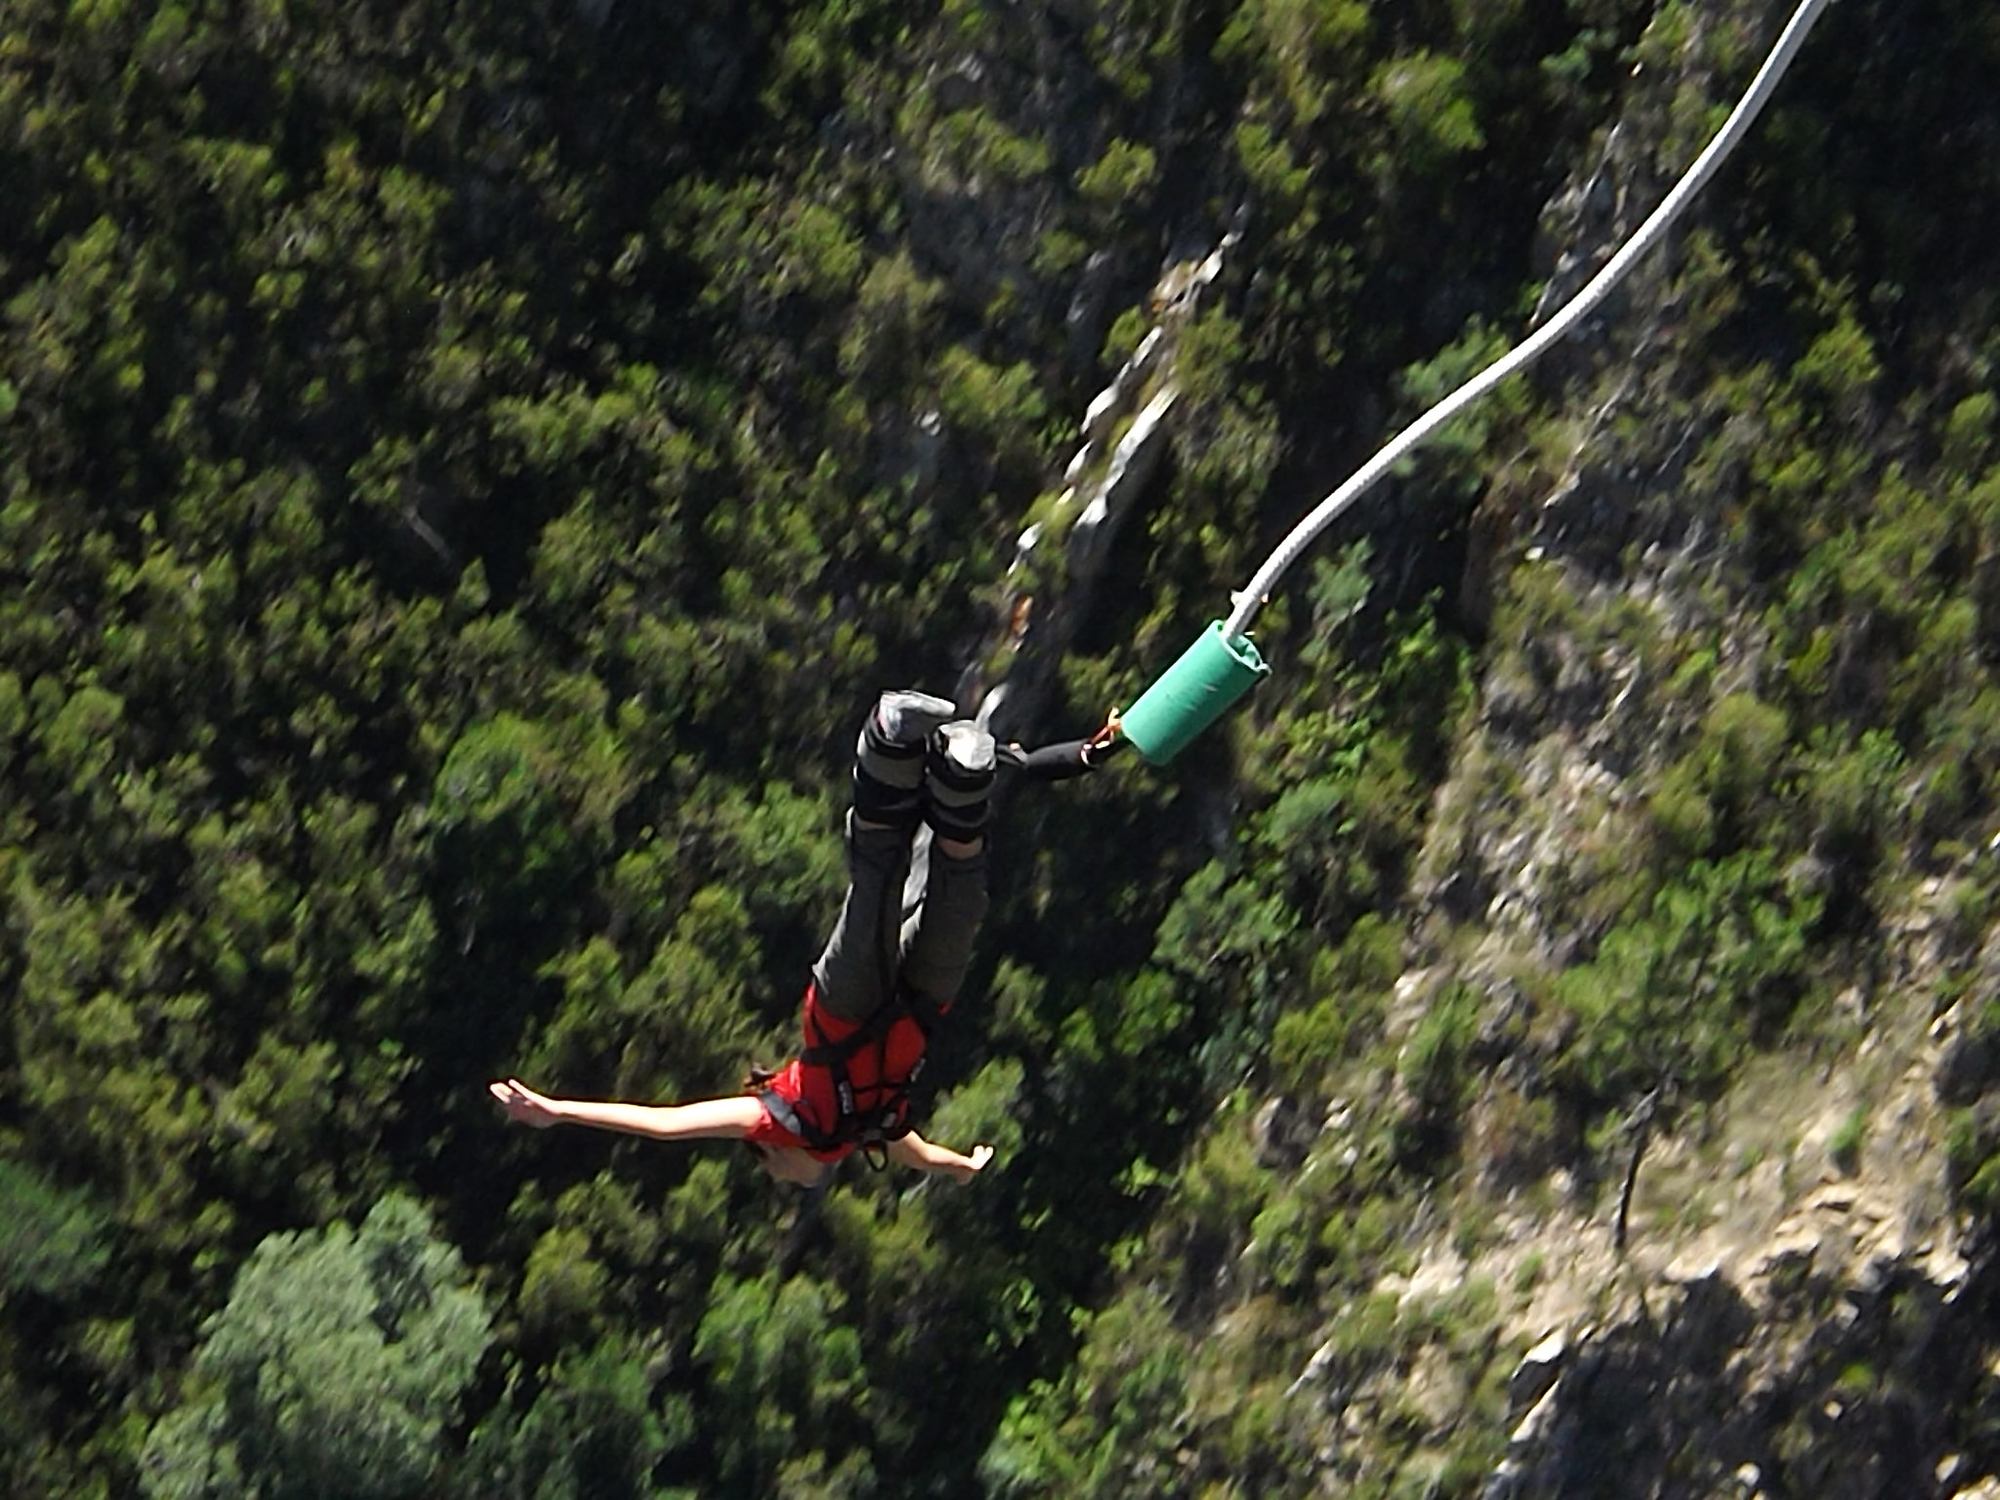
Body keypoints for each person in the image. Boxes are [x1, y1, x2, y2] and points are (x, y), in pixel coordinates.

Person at [490, 690, 1114, 1187]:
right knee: (963, 900)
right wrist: (963, 1164)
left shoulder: (776, 1119)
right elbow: (917, 1155)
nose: (797, 1184)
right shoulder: (863, 1134)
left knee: (878, 888)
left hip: (843, 1007)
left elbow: (666, 1124)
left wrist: (559, 1110)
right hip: (918, 1004)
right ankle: (960, 777)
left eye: (783, 1181)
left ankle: (891, 740)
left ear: (771, 1155)